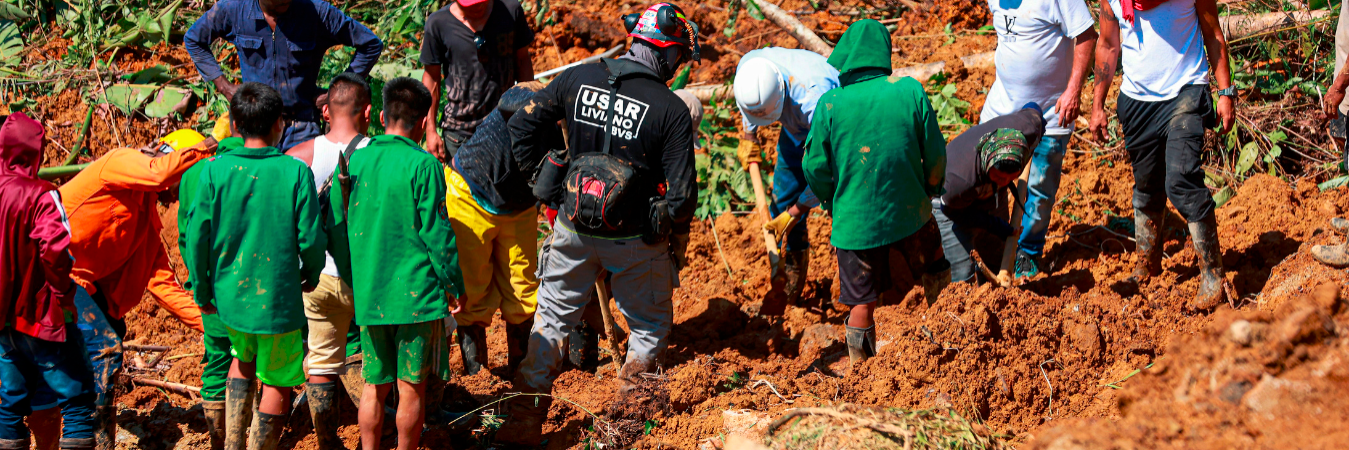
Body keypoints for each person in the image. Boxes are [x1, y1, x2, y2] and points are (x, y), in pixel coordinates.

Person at [498, 3, 699, 445]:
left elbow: (524, 120)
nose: (679, 67)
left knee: (549, 323)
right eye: (680, 57)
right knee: (647, 328)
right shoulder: (670, 109)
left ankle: (523, 424)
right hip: (632, 240)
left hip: (571, 227)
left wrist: (546, 182)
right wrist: (661, 222)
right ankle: (625, 429)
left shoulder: (578, 77)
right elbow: (683, 199)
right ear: (666, 53)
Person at [57, 124, 217, 448]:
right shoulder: (118, 162)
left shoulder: (147, 224)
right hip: (50, 271)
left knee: (109, 336)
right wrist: (212, 143)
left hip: (83, 287)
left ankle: (90, 436)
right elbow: (157, 174)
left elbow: (166, 288)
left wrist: (219, 326)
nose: (180, 194)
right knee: (104, 350)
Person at [185, 83, 326, 450]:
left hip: (231, 296)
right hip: (278, 298)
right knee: (278, 379)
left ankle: (233, 443)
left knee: (241, 357)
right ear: (280, 124)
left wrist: (202, 288)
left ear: (234, 124)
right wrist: (309, 276)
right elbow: (311, 238)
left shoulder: (214, 171)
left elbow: (197, 236)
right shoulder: (295, 172)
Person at [801, 19, 949, 369]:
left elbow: (814, 167)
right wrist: (929, 190)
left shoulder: (830, 104)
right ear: (883, 53)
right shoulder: (909, 90)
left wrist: (833, 201)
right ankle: (950, 339)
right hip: (911, 210)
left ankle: (865, 374)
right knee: (936, 265)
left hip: (855, 225)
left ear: (848, 56)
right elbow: (936, 153)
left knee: (862, 303)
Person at [338, 77, 463, 450]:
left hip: (371, 294)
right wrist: (454, 285)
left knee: (374, 386)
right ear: (424, 122)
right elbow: (438, 235)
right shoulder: (424, 165)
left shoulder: (355, 159)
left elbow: (337, 221)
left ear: (379, 116)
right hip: (415, 298)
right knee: (412, 388)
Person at [1089, 0, 1236, 310]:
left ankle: (1212, 273)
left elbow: (1213, 35)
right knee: (1146, 184)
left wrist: (1225, 92)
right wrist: (1097, 105)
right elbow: (1107, 44)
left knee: (1181, 179)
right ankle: (1147, 262)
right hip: (1137, 100)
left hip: (1185, 91)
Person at [444, 82, 559, 379]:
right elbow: (511, 98)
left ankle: (518, 370)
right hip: (469, 192)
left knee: (523, 289)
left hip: (518, 207)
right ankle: (477, 375)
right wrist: (550, 103)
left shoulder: (563, 139)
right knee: (472, 288)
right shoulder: (521, 105)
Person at [0, 113, 99, 450]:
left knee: (11, 402)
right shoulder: (42, 195)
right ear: (35, 152)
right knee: (78, 397)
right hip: (42, 314)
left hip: (3, 321)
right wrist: (63, 292)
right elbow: (55, 249)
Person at [284, 73, 371, 450]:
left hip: (316, 278)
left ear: (325, 111)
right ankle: (379, 431)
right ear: (368, 112)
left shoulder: (297, 158)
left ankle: (327, 439)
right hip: (367, 277)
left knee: (319, 359)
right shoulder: (378, 155)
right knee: (372, 355)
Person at [982, 0, 1097, 280]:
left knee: (1040, 187)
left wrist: (1073, 91)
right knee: (988, 183)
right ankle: (995, 249)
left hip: (1051, 110)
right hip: (1003, 108)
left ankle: (1027, 254)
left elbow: (1086, 35)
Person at [184, 0, 384, 151]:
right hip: (254, 126)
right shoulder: (234, 9)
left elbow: (370, 45)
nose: (283, 4)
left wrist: (336, 93)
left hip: (301, 125)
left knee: (301, 191)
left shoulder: (317, 12)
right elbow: (194, 39)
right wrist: (224, 86)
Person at [731, 47, 839, 309]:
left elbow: (827, 171)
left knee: (841, 206)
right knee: (783, 196)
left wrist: (799, 209)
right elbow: (751, 106)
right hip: (795, 130)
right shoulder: (750, 68)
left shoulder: (816, 99)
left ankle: (853, 280)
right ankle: (791, 271)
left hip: (835, 131)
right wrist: (749, 137)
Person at [174, 118, 239, 450]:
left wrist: (199, 285)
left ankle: (219, 441)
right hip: (261, 291)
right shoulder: (276, 166)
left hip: (214, 287)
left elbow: (189, 237)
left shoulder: (193, 176)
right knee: (256, 363)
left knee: (217, 360)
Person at [933, 105, 1046, 285]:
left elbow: (1033, 109)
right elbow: (953, 212)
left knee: (997, 255)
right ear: (988, 163)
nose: (1005, 181)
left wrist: (997, 228)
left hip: (988, 191)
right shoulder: (958, 181)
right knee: (963, 276)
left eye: (1011, 177)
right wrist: (993, 224)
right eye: (1000, 176)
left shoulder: (1030, 130)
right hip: (949, 205)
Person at [421, 0, 536, 161]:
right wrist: (430, 129)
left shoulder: (510, 12)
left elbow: (523, 60)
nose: (477, 7)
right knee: (461, 186)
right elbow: (431, 79)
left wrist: (527, 110)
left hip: (505, 128)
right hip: (460, 135)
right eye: (470, 4)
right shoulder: (439, 23)